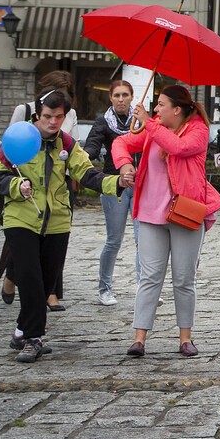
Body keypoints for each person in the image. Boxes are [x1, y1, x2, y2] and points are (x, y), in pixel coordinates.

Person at [0, 89, 121, 362]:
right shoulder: (19, 137)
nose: (53, 122)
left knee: (47, 280)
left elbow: (87, 174)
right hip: (20, 218)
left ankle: (21, 329)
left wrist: (117, 182)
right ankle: (34, 339)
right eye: (48, 116)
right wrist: (17, 185)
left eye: (59, 117)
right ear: (37, 115)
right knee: (29, 277)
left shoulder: (67, 144)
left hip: (57, 221)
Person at [113, 85, 220, 357]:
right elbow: (121, 142)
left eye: (161, 104)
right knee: (149, 277)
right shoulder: (154, 128)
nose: (155, 109)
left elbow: (178, 147)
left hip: (185, 212)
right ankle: (139, 339)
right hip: (150, 214)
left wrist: (149, 123)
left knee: (184, 279)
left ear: (177, 109)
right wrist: (125, 164)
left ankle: (185, 338)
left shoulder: (198, 130)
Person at [0, 71, 80, 310]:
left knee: (53, 246)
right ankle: (13, 278)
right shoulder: (23, 111)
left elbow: (74, 144)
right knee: (23, 246)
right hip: (23, 186)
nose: (54, 119)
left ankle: (49, 293)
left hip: (57, 183)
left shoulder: (70, 114)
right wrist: (16, 183)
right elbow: (10, 146)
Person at [84, 79, 140, 307]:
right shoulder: (103, 121)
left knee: (143, 241)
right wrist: (84, 157)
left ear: (131, 97)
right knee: (114, 240)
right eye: (117, 95)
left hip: (141, 185)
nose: (121, 99)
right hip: (114, 185)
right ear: (110, 97)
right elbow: (93, 145)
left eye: (125, 95)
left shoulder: (140, 120)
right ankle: (105, 288)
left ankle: (144, 288)